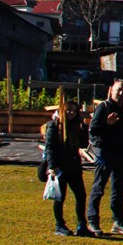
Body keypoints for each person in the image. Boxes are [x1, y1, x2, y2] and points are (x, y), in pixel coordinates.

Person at [86, 79, 123, 234]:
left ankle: (118, 221)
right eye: (119, 90)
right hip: (106, 153)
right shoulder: (103, 107)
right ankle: (92, 220)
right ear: (112, 90)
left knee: (118, 189)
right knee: (99, 187)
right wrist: (106, 125)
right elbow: (93, 131)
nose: (122, 94)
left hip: (122, 154)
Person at [43, 98, 94, 237]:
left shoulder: (75, 126)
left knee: (81, 195)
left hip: (74, 166)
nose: (71, 113)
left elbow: (83, 144)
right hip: (60, 167)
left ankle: (81, 225)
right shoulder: (54, 126)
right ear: (62, 110)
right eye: (68, 110)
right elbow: (50, 148)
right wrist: (52, 166)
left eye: (74, 111)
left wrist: (84, 128)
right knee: (60, 197)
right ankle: (59, 224)